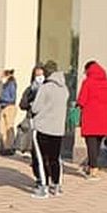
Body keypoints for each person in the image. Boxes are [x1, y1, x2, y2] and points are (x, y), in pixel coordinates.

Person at [30, 61, 69, 198]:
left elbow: (36, 107)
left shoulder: (45, 88)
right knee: (55, 158)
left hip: (43, 127)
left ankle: (44, 188)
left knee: (42, 159)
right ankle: (57, 186)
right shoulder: (64, 88)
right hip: (58, 129)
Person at [76, 60, 107, 180]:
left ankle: (93, 169)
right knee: (97, 144)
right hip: (104, 119)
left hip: (90, 118)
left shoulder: (87, 82)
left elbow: (81, 100)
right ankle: (92, 167)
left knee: (91, 145)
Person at [16, 65, 45, 154]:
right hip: (32, 118)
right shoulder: (30, 90)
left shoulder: (48, 89)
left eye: (41, 75)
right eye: (37, 75)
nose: (39, 78)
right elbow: (22, 104)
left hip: (44, 119)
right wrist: (30, 104)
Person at [0, 69, 18, 155]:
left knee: (9, 128)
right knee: (2, 128)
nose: (1, 78)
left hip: (10, 107)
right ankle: (5, 146)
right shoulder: (5, 85)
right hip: (3, 106)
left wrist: (2, 99)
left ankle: (10, 147)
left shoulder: (11, 84)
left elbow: (12, 98)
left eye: (3, 75)